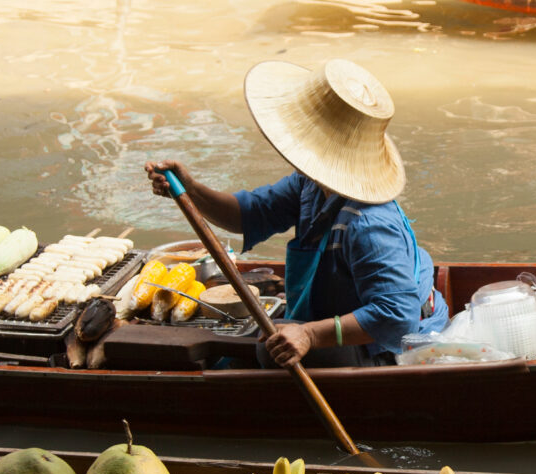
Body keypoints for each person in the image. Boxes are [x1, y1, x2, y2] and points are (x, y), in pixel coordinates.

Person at [145, 58, 448, 368]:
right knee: (257, 341)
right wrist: (190, 189)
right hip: (348, 322)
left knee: (268, 350)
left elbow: (397, 318)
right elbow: (249, 214)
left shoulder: (368, 222)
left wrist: (310, 335)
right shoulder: (312, 186)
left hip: (390, 348)